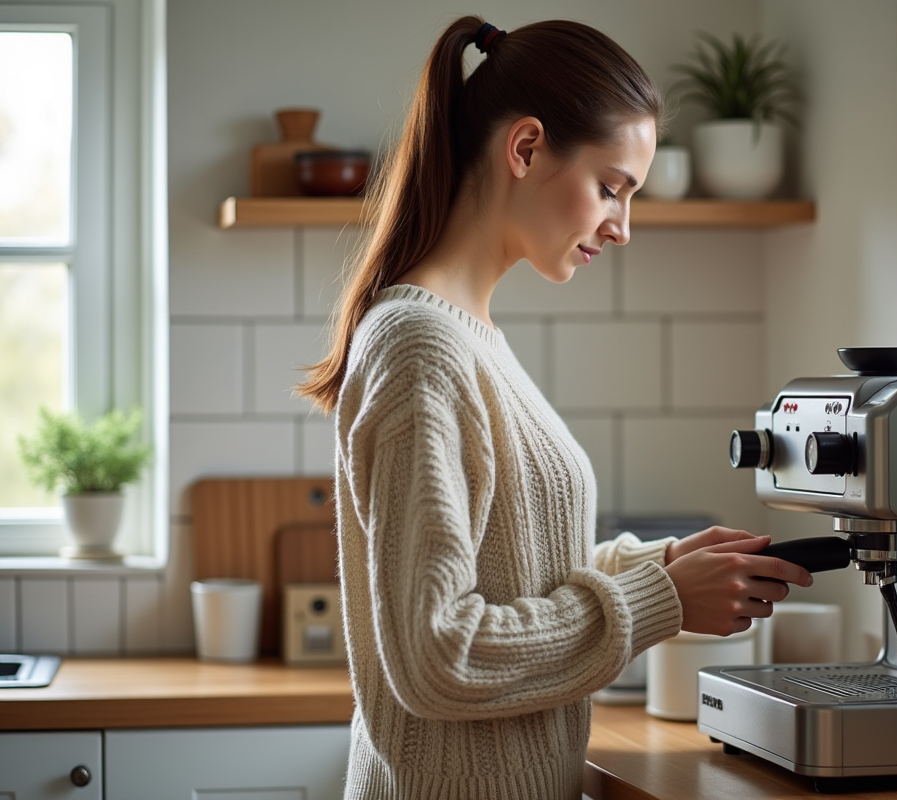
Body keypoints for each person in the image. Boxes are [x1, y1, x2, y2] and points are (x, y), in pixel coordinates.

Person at [298, 16, 812, 800]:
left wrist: (661, 568)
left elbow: (516, 573)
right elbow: (440, 656)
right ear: (527, 148)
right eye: (611, 187)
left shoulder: (466, 338)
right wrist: (658, 602)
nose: (623, 225)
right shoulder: (419, 348)